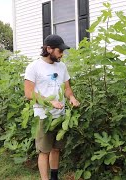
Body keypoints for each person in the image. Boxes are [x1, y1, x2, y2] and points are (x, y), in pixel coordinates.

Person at [24, 34, 80, 180]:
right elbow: (29, 93)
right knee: (44, 151)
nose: (62, 54)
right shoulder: (34, 67)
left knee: (56, 149)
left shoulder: (62, 67)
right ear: (49, 49)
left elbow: (67, 88)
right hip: (44, 116)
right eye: (59, 51)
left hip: (60, 115)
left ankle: (54, 177)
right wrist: (50, 102)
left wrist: (72, 98)